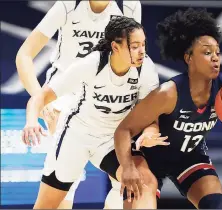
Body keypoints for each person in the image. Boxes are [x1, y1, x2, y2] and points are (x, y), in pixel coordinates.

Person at [114, 8, 222, 209]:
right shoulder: (168, 94)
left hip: (189, 156)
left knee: (216, 205)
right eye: (207, 52)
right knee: (140, 198)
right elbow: (124, 131)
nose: (215, 58)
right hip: (150, 158)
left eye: (217, 52)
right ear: (189, 58)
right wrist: (127, 168)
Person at [22, 16, 165, 209]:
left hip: (113, 140)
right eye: (135, 46)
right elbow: (40, 97)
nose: (142, 51)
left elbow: (150, 117)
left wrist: (149, 133)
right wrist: (31, 122)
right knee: (47, 206)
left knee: (143, 181)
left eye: (144, 45)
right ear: (115, 47)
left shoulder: (146, 69)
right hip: (77, 136)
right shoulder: (91, 65)